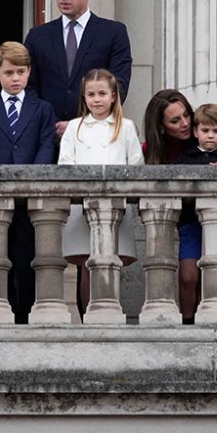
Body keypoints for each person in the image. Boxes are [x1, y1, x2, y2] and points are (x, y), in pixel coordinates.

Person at [0, 41, 57, 324]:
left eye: (20, 72)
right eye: (9, 72)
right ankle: (1, 314)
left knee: (27, 260)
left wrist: (32, 181)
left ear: (29, 72)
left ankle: (25, 316)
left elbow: (46, 147)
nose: (15, 78)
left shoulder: (43, 109)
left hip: (30, 201)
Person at [142, 89, 217, 323]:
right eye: (175, 120)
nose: (184, 123)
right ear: (161, 127)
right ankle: (189, 321)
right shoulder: (154, 149)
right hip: (189, 218)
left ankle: (215, 319)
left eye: (186, 115)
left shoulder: (213, 135)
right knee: (189, 273)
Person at [58, 68, 143, 320]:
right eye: (91, 94)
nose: (96, 99)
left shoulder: (125, 127)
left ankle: (109, 314)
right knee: (86, 263)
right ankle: (88, 318)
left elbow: (136, 165)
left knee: (110, 262)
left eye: (102, 93)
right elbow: (65, 165)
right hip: (81, 205)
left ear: (114, 96)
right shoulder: (75, 127)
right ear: (84, 97)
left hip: (116, 206)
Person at [25, 0, 132, 139]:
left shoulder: (113, 33)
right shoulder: (37, 36)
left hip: (96, 137)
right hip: (48, 137)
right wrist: (51, 123)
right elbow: (28, 87)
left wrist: (82, 125)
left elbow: (118, 85)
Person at [173, 103, 217, 323]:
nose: (210, 136)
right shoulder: (185, 158)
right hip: (190, 223)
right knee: (188, 275)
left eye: (216, 131)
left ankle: (208, 317)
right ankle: (187, 318)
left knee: (214, 273)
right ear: (195, 132)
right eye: (205, 130)